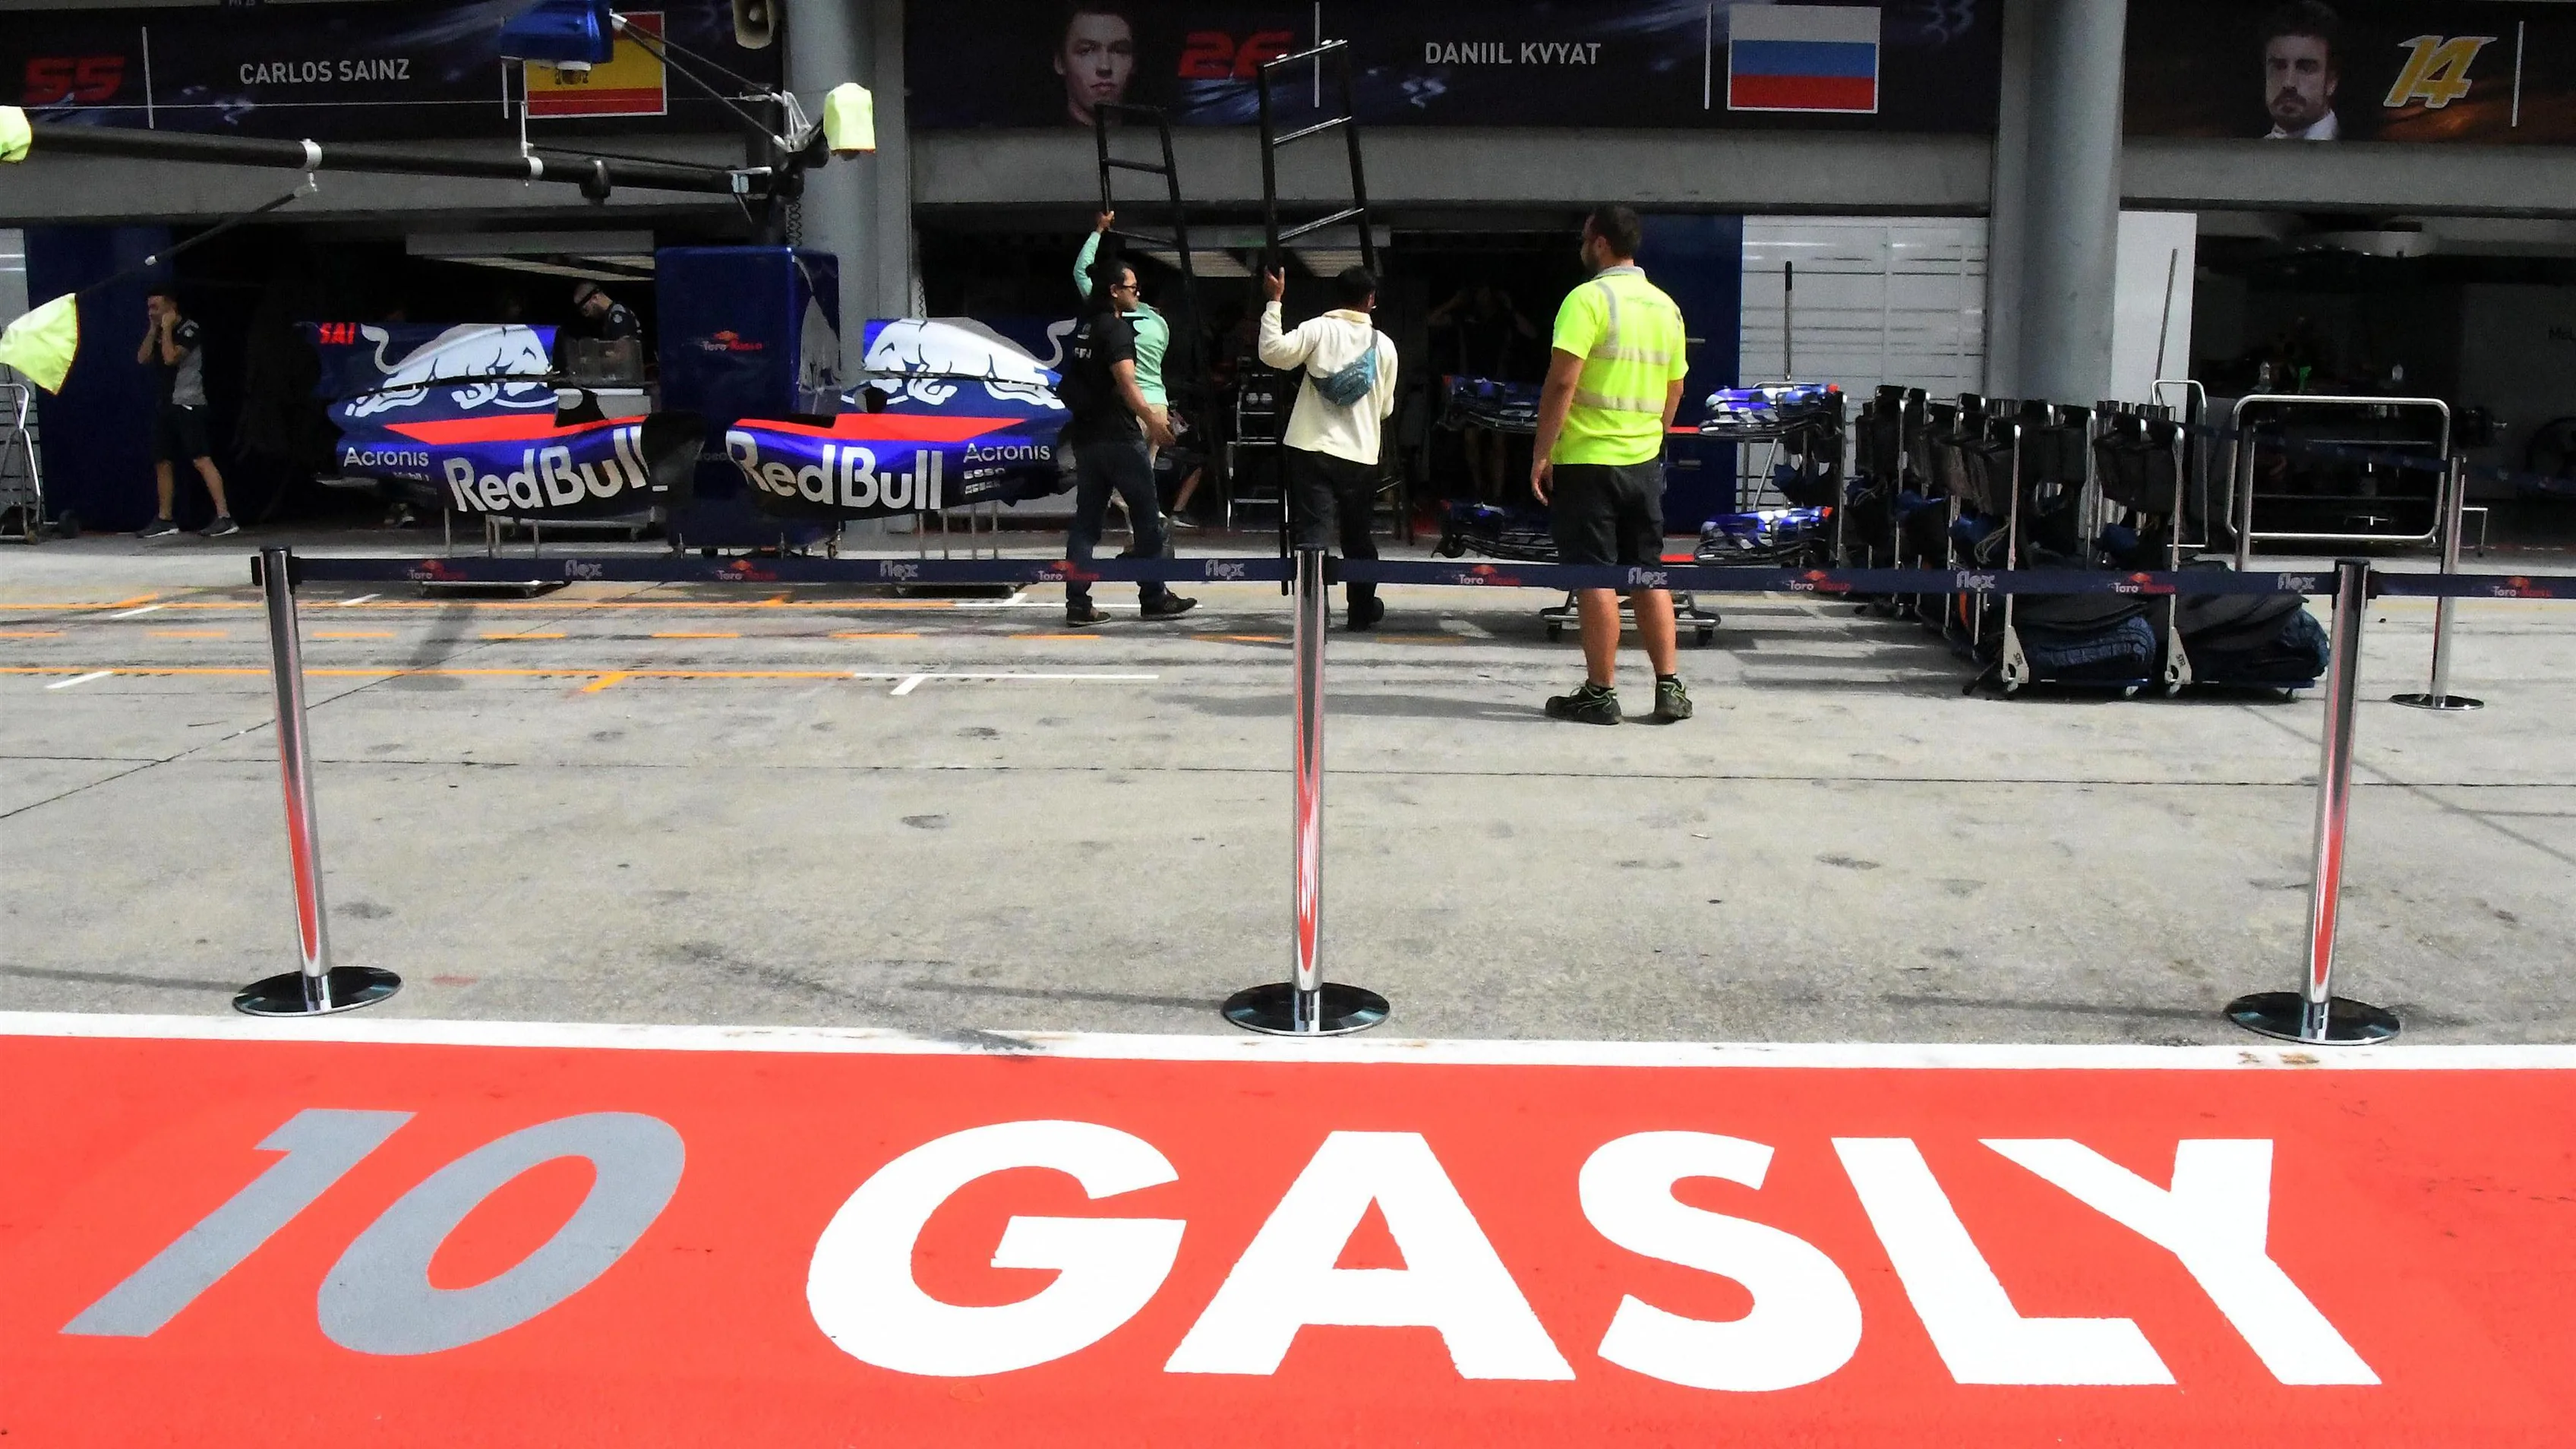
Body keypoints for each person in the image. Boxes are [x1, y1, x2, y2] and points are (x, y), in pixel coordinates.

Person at [1529, 205, 1692, 725]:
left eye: (1584, 238)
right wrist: (1653, 438)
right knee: (1648, 572)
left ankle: (1601, 692)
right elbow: (1676, 387)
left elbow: (1562, 382)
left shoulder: (1587, 300)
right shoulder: (1666, 307)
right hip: (1642, 463)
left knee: (1594, 574)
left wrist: (1542, 453)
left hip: (1587, 462)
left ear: (1600, 244)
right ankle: (1669, 688)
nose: (1581, 245)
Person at [1258, 264, 1400, 630]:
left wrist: (1275, 302)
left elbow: (1273, 352)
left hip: (1309, 447)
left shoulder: (1317, 329)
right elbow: (1385, 408)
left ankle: (1313, 618)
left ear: (1336, 296)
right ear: (1370, 300)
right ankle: (1361, 611)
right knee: (1358, 537)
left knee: (1312, 537)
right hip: (1360, 454)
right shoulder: (1383, 346)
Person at [1058, 255, 1192, 627]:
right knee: (1149, 520)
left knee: (1086, 524)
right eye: (1132, 288)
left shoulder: (1087, 327)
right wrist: (1153, 419)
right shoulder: (1117, 331)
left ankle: (1078, 604)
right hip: (1119, 436)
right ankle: (1153, 597)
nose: (1137, 294)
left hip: (1087, 438)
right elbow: (1128, 384)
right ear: (1115, 291)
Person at [135, 289, 236, 540]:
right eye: (149, 308)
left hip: (188, 403)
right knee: (162, 460)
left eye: (156, 307)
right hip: (166, 404)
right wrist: (152, 330)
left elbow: (170, 358)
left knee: (200, 459)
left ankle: (224, 516)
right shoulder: (156, 331)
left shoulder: (190, 329)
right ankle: (165, 518)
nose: (152, 312)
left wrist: (167, 329)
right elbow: (142, 358)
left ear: (171, 307)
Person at [1074, 213, 1170, 444]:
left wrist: (1099, 230)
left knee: (1120, 475)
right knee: (1146, 476)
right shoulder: (1160, 325)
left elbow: (1081, 270)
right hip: (1158, 405)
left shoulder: (1110, 310)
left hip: (1127, 407)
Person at [2261, 2, 2342, 141]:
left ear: (2331, 81)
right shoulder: (2244, 157)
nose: (2288, 82)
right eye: (2279, 66)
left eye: (2305, 68)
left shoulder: (2361, 156)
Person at [1055, 4, 1135, 128]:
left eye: (1120, 51)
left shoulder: (1159, 139)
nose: (1104, 66)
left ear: (1134, 62)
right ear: (1060, 62)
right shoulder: (1031, 143)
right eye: (1086, 50)